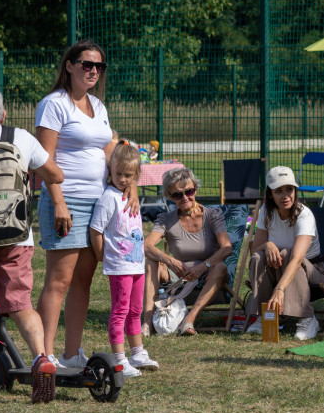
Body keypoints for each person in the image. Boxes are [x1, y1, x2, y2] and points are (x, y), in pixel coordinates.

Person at [35, 40, 138, 369]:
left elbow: (111, 155)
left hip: (98, 202)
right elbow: (44, 160)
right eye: (86, 64)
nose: (93, 71)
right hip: (65, 201)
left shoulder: (98, 106)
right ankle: (45, 354)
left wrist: (130, 185)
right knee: (59, 279)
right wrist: (59, 203)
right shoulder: (54, 104)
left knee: (83, 280)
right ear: (69, 65)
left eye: (99, 66)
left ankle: (72, 354)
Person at [0, 86, 64, 403]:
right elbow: (55, 175)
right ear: (3, 113)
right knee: (22, 305)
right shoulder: (22, 137)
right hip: (17, 236)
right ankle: (42, 358)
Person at [88, 143, 159, 376]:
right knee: (121, 310)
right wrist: (101, 255)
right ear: (111, 170)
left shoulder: (131, 196)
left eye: (128, 175)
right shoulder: (108, 199)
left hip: (137, 264)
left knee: (136, 309)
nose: (123, 179)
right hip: (119, 266)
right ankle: (119, 359)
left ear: (136, 176)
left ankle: (137, 352)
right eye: (118, 173)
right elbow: (96, 229)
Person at [143, 167, 232, 336]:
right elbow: (147, 246)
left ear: (195, 190)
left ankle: (189, 320)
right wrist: (170, 261)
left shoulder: (212, 215)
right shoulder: (166, 219)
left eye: (188, 191)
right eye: (177, 195)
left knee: (221, 267)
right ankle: (147, 322)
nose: (184, 197)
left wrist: (203, 266)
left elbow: (226, 248)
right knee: (151, 261)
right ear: (170, 197)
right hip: (178, 276)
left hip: (207, 273)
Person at [245, 166, 324, 341]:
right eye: (279, 191)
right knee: (259, 257)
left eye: (289, 189)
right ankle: (264, 316)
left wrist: (280, 289)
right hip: (279, 269)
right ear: (270, 194)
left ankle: (307, 318)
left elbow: (297, 259)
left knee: (287, 253)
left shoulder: (304, 215)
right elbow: (255, 250)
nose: (285, 195)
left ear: (295, 190)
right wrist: (267, 245)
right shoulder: (266, 212)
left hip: (313, 273)